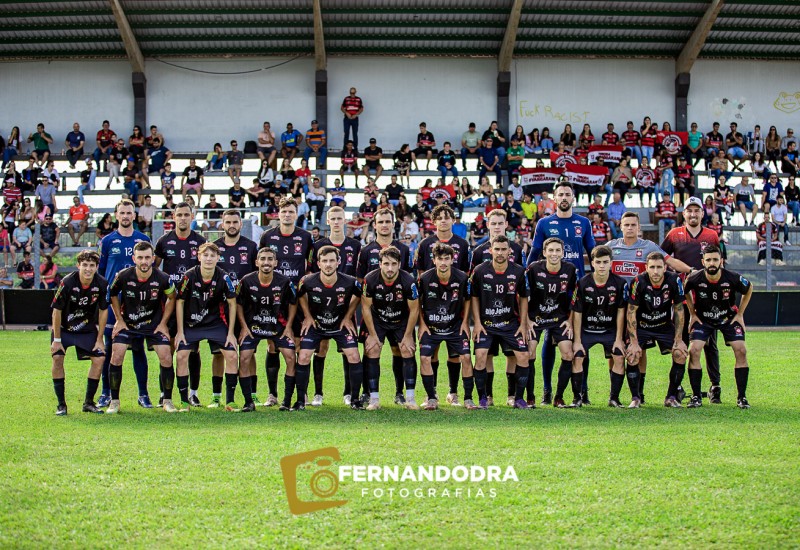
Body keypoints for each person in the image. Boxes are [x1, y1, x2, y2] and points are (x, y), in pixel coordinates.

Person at [660, 196, 722, 402]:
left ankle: (715, 385)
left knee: (710, 344)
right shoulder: (674, 234)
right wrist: (680, 273)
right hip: (681, 299)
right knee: (681, 342)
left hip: (707, 298)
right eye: (689, 210)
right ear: (684, 213)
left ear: (703, 213)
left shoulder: (712, 235)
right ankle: (677, 387)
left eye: (697, 210)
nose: (693, 214)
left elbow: (719, 264)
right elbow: (662, 257)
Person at [107, 242, 176, 413]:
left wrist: (163, 323)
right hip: (129, 324)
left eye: (147, 257)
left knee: (166, 356)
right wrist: (119, 319)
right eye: (140, 258)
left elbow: (172, 297)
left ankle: (167, 401)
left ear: (153, 258)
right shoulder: (123, 276)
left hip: (153, 325)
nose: (144, 261)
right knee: (117, 354)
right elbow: (113, 294)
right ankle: (114, 401)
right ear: (134, 259)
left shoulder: (163, 278)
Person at [294, 246, 363, 411]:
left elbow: (360, 295)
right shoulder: (307, 281)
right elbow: (300, 295)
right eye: (324, 261)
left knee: (354, 355)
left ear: (338, 262)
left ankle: (355, 400)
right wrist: (307, 316)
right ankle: (301, 400)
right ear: (318, 263)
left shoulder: (350, 281)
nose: (328, 264)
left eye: (332, 260)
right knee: (303, 356)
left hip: (339, 325)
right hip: (317, 325)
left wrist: (348, 316)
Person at [96, 199, 151, 408]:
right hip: (113, 303)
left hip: (138, 303)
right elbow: (101, 274)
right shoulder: (108, 241)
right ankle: (106, 393)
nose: (126, 216)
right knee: (109, 347)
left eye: (129, 213)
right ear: (116, 215)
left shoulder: (143, 239)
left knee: (138, 346)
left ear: (134, 216)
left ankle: (143, 394)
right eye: (122, 213)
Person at [684, 245, 753, 409]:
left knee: (741, 350)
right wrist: (692, 313)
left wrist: (740, 314)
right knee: (694, 350)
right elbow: (685, 290)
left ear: (721, 261)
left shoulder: (732, 277)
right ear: (703, 262)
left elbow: (749, 287)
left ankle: (742, 397)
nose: (712, 263)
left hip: (727, 318)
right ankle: (696, 397)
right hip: (704, 319)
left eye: (715, 259)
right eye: (708, 260)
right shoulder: (694, 278)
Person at [174, 242, 238, 411]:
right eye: (205, 255)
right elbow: (179, 302)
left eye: (212, 256)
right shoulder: (188, 276)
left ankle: (230, 401)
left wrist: (231, 333)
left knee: (232, 356)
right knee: (181, 356)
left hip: (215, 323)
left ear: (218, 258)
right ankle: (184, 402)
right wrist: (180, 331)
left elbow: (232, 303)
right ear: (199, 257)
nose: (208, 259)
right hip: (192, 323)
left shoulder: (224, 277)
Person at [471, 235, 529, 409]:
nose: (500, 253)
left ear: (510, 251)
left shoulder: (518, 271)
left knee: (523, 356)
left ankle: (518, 398)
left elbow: (524, 298)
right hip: (486, 324)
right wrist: (477, 323)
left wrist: (523, 324)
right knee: (481, 356)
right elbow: (474, 297)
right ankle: (483, 398)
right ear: (491, 250)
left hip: (510, 324)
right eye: (497, 249)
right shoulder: (480, 271)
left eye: (504, 249)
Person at [236, 247, 297, 413]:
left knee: (291, 357)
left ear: (276, 263)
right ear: (256, 262)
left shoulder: (285, 282)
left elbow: (293, 303)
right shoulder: (246, 281)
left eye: (270, 259)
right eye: (262, 259)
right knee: (244, 358)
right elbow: (238, 304)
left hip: (277, 327)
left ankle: (286, 401)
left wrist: (289, 327)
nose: (266, 262)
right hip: (253, 328)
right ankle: (248, 402)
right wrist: (243, 327)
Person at [625, 252, 688, 408]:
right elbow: (631, 311)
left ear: (665, 268)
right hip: (642, 325)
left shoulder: (674, 280)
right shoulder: (638, 281)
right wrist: (633, 342)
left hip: (664, 325)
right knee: (632, 355)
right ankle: (636, 398)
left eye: (659, 267)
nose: (655, 271)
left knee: (680, 354)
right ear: (646, 267)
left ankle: (671, 397)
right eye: (652, 267)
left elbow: (679, 309)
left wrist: (679, 340)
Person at [50, 250, 108, 416]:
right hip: (64, 329)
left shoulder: (102, 283)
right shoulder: (67, 282)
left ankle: (88, 403)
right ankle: (61, 405)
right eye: (85, 265)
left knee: (99, 358)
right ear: (78, 265)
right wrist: (57, 340)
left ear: (96, 267)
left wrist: (100, 339)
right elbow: (56, 311)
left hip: (86, 329)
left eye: (92, 265)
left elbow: (103, 311)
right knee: (57, 358)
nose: (88, 269)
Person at [361, 246, 420, 410]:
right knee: (372, 349)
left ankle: (410, 398)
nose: (390, 268)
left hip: (401, 320)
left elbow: (414, 309)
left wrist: (408, 336)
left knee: (407, 349)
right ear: (380, 264)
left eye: (394, 264)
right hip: (378, 320)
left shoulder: (408, 281)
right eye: (386, 264)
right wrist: (373, 335)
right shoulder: (370, 279)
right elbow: (365, 307)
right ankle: (374, 399)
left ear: (399, 264)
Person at [418, 243, 475, 410]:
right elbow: (417, 302)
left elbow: (468, 299)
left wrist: (465, 322)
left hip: (455, 326)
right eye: (440, 259)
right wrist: (422, 324)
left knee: (466, 357)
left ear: (452, 260)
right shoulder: (425, 279)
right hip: (431, 327)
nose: (443, 262)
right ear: (434, 260)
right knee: (425, 358)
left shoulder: (462, 278)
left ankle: (468, 398)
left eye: (446, 259)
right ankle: (431, 397)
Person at [569, 246, 626, 408]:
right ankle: (577, 398)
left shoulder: (619, 283)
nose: (602, 266)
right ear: (592, 263)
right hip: (587, 330)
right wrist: (577, 341)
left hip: (609, 330)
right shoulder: (582, 283)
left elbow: (621, 312)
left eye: (605, 262)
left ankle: (614, 398)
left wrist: (619, 339)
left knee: (619, 356)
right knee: (578, 355)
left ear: (611, 263)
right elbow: (577, 313)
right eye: (598, 262)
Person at [525, 237, 576, 408]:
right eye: (551, 250)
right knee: (529, 353)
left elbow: (575, 297)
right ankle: (530, 398)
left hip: (559, 318)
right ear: (544, 253)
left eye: (558, 250)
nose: (554, 254)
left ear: (563, 253)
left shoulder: (570, 269)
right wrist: (527, 320)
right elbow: (523, 295)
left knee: (568, 354)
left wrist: (570, 320)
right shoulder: (534, 269)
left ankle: (558, 398)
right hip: (536, 318)